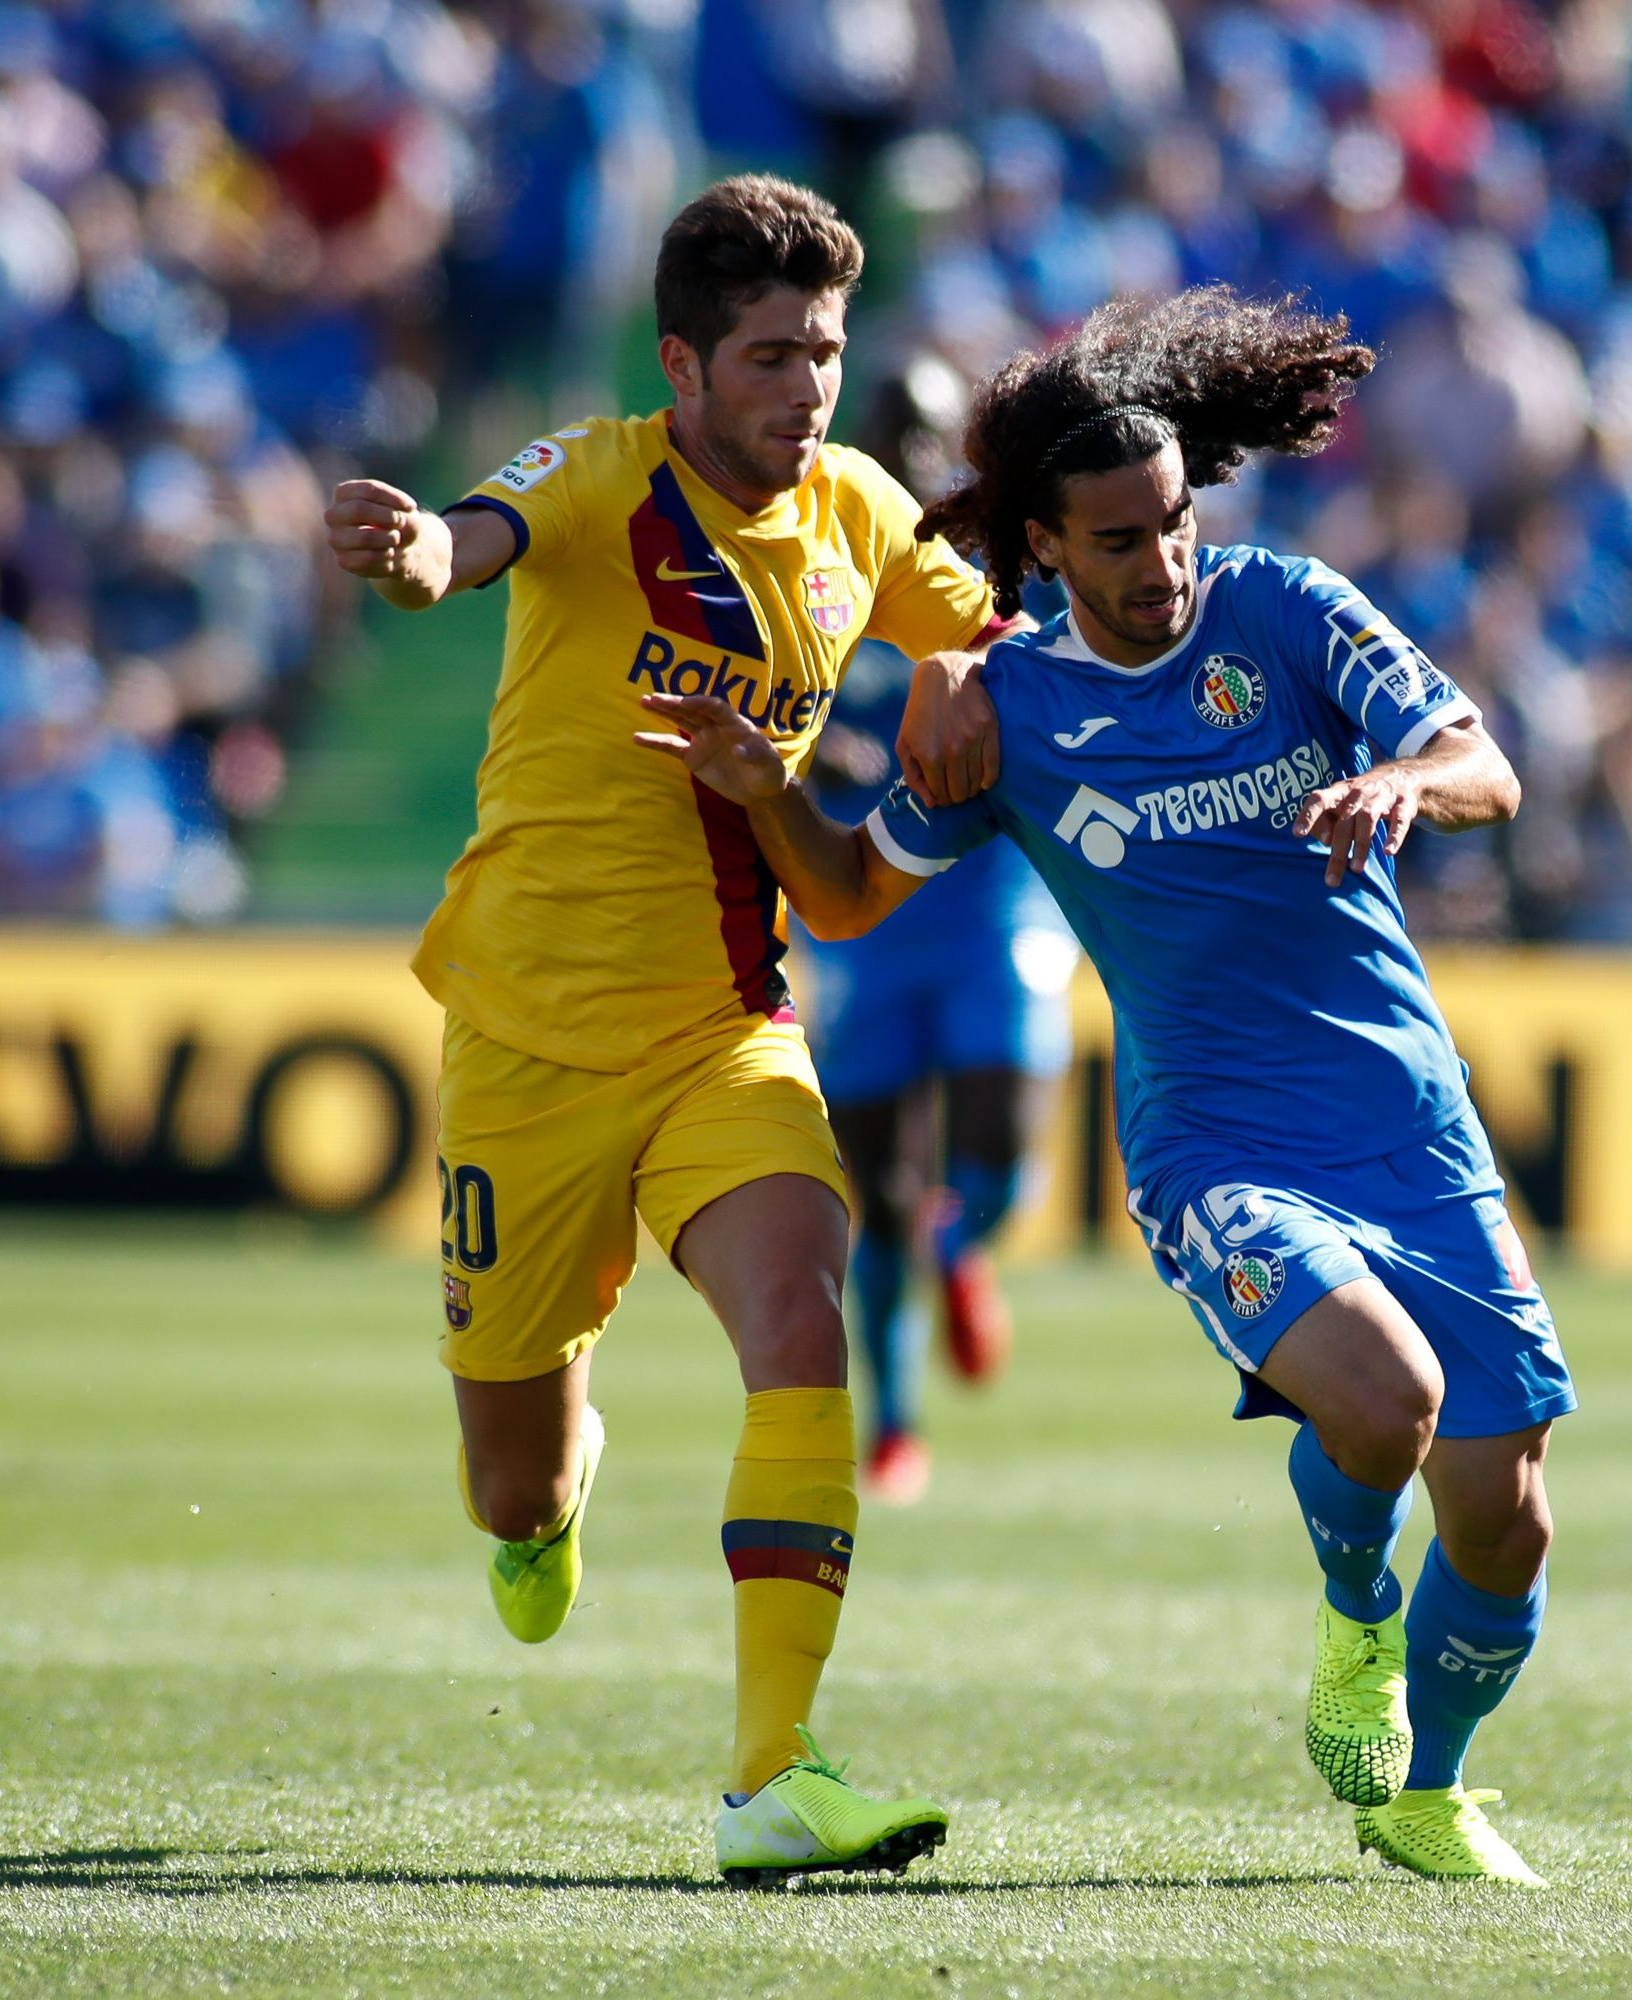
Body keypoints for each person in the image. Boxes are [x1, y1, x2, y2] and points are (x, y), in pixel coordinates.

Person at [638, 287, 1575, 1885]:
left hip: (1411, 1125)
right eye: (1123, 541)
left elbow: (1482, 763)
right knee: (1392, 1402)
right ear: (1048, 550)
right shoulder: (1008, 714)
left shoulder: (1285, 611)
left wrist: (1404, 781)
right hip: (1213, 1148)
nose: (1164, 565)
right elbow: (856, 896)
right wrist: (768, 788)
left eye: (1175, 524)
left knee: (1509, 1519)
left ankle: (1433, 1792)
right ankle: (1358, 1620)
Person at [318, 173, 1010, 1885]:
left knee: (801, 1309)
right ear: (681, 366)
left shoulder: (857, 509)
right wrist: (408, 553)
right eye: (770, 356)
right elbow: (462, 544)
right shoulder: (596, 470)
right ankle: (552, 1497)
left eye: (827, 354)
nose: (806, 390)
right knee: (509, 1489)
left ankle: (774, 1777)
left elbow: (997, 634)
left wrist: (959, 667)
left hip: (727, 1030)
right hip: (527, 1046)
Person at [799, 646, 1076, 1504]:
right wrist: (804, 751)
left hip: (992, 897)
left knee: (1002, 1137)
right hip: (857, 907)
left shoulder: (1012, 577)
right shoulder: (800, 575)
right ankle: (894, 1425)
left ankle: (960, 1248)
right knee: (878, 1193)